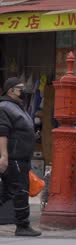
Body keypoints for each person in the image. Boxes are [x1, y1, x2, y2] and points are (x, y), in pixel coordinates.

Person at [0, 77, 41, 236]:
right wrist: (4, 156)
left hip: (20, 156)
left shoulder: (17, 106)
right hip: (13, 157)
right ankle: (23, 226)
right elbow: (2, 132)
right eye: (20, 88)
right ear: (10, 91)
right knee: (20, 190)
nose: (23, 91)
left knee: (8, 192)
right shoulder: (4, 107)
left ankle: (23, 225)